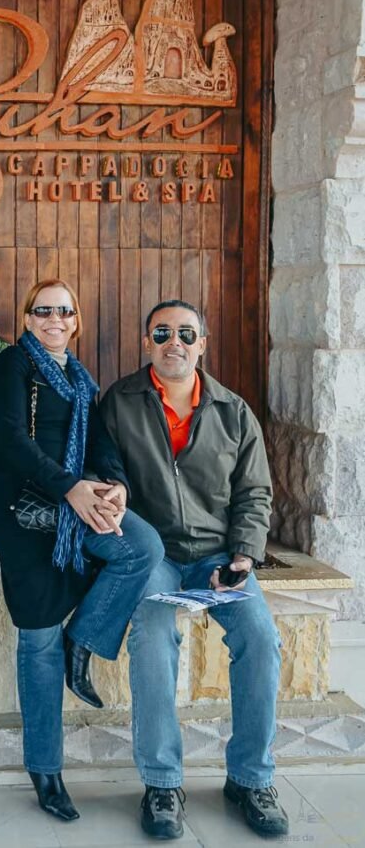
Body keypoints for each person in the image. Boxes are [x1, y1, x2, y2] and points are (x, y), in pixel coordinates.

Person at [99, 299, 289, 840]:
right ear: (147, 343)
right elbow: (104, 470)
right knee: (154, 636)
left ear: (202, 344)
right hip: (153, 557)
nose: (174, 342)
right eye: (162, 333)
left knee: (260, 636)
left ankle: (251, 779)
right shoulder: (120, 403)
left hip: (217, 558)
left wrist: (243, 557)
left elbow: (255, 492)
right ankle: (162, 783)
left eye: (186, 333)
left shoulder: (233, 411)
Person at [0, 279, 164, 823]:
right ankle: (46, 771)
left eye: (64, 311)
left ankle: (82, 640)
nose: (54, 320)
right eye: (43, 311)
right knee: (37, 639)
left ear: (76, 319)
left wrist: (112, 485)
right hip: (21, 510)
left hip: (72, 503)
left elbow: (101, 444)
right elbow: (10, 438)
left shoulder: (81, 379)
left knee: (141, 546)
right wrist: (70, 488)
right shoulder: (15, 365)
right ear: (28, 317)